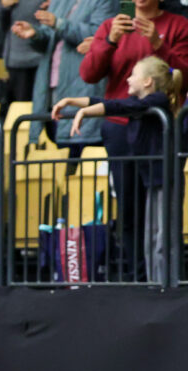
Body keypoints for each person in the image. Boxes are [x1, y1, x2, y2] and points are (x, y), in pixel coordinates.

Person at [79, 0, 188, 282]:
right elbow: (89, 73)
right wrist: (109, 40)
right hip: (119, 128)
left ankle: (163, 282)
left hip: (159, 131)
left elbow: (183, 77)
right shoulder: (110, 26)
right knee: (129, 210)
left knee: (161, 214)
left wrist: (158, 44)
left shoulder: (177, 25)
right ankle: (137, 279)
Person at [55, 57, 181, 285]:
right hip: (151, 178)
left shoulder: (157, 100)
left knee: (164, 238)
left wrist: (86, 113)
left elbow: (120, 106)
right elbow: (109, 101)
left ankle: (168, 287)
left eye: (133, 74)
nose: (127, 78)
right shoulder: (140, 102)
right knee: (150, 237)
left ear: (148, 82)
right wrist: (72, 102)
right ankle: (155, 285)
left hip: (167, 178)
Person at [11, 0, 112, 154]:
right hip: (51, 86)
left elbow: (101, 36)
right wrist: (35, 34)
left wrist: (59, 23)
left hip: (83, 87)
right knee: (58, 149)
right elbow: (48, 38)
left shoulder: (105, 2)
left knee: (80, 154)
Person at [0, 0, 47, 108]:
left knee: (40, 111)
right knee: (14, 112)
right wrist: (4, 7)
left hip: (40, 60)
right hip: (14, 61)